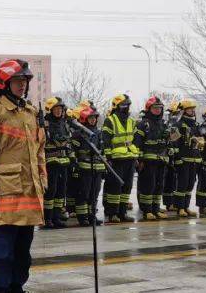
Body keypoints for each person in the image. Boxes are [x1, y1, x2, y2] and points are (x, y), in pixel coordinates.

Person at [0, 59, 46, 293]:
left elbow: (39, 150)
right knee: (5, 246)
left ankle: (18, 288)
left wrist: (42, 178)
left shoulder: (30, 113)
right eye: (17, 81)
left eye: (25, 82)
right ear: (4, 83)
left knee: (23, 248)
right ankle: (2, 290)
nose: (22, 86)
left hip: (29, 190)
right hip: (5, 190)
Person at [101, 94, 139, 224]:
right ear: (117, 107)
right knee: (114, 188)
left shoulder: (131, 121)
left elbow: (135, 139)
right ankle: (112, 214)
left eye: (127, 105)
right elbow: (105, 140)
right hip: (116, 159)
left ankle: (122, 213)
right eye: (124, 105)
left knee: (127, 187)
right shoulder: (110, 120)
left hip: (130, 157)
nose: (126, 107)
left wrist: (136, 154)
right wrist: (108, 157)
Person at [134, 96, 171, 220]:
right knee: (148, 186)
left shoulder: (163, 123)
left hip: (161, 160)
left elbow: (168, 142)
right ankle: (147, 210)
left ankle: (156, 209)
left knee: (159, 186)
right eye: (155, 108)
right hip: (148, 161)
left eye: (160, 108)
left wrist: (170, 137)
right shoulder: (143, 124)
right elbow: (137, 143)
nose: (158, 110)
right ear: (149, 109)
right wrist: (139, 160)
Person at [41, 97, 72, 229]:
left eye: (60, 109)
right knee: (50, 191)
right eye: (56, 109)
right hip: (51, 162)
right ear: (50, 109)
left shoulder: (64, 124)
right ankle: (47, 219)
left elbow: (69, 143)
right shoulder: (44, 125)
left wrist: (72, 158)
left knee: (61, 191)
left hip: (64, 162)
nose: (59, 111)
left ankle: (56, 217)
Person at [72, 106, 104, 227]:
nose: (93, 120)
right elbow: (73, 151)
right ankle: (82, 218)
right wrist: (75, 167)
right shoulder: (78, 134)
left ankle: (92, 216)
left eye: (94, 118)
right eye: (90, 118)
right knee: (84, 193)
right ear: (85, 119)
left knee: (94, 194)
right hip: (84, 168)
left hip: (98, 167)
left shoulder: (98, 132)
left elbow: (102, 150)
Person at [171, 98, 204, 218]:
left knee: (190, 184)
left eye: (193, 109)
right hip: (183, 159)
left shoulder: (195, 125)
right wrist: (177, 158)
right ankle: (179, 208)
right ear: (184, 111)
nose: (192, 111)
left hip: (194, 159)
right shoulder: (178, 125)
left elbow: (201, 140)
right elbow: (173, 143)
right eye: (190, 109)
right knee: (182, 184)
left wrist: (198, 141)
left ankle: (186, 207)